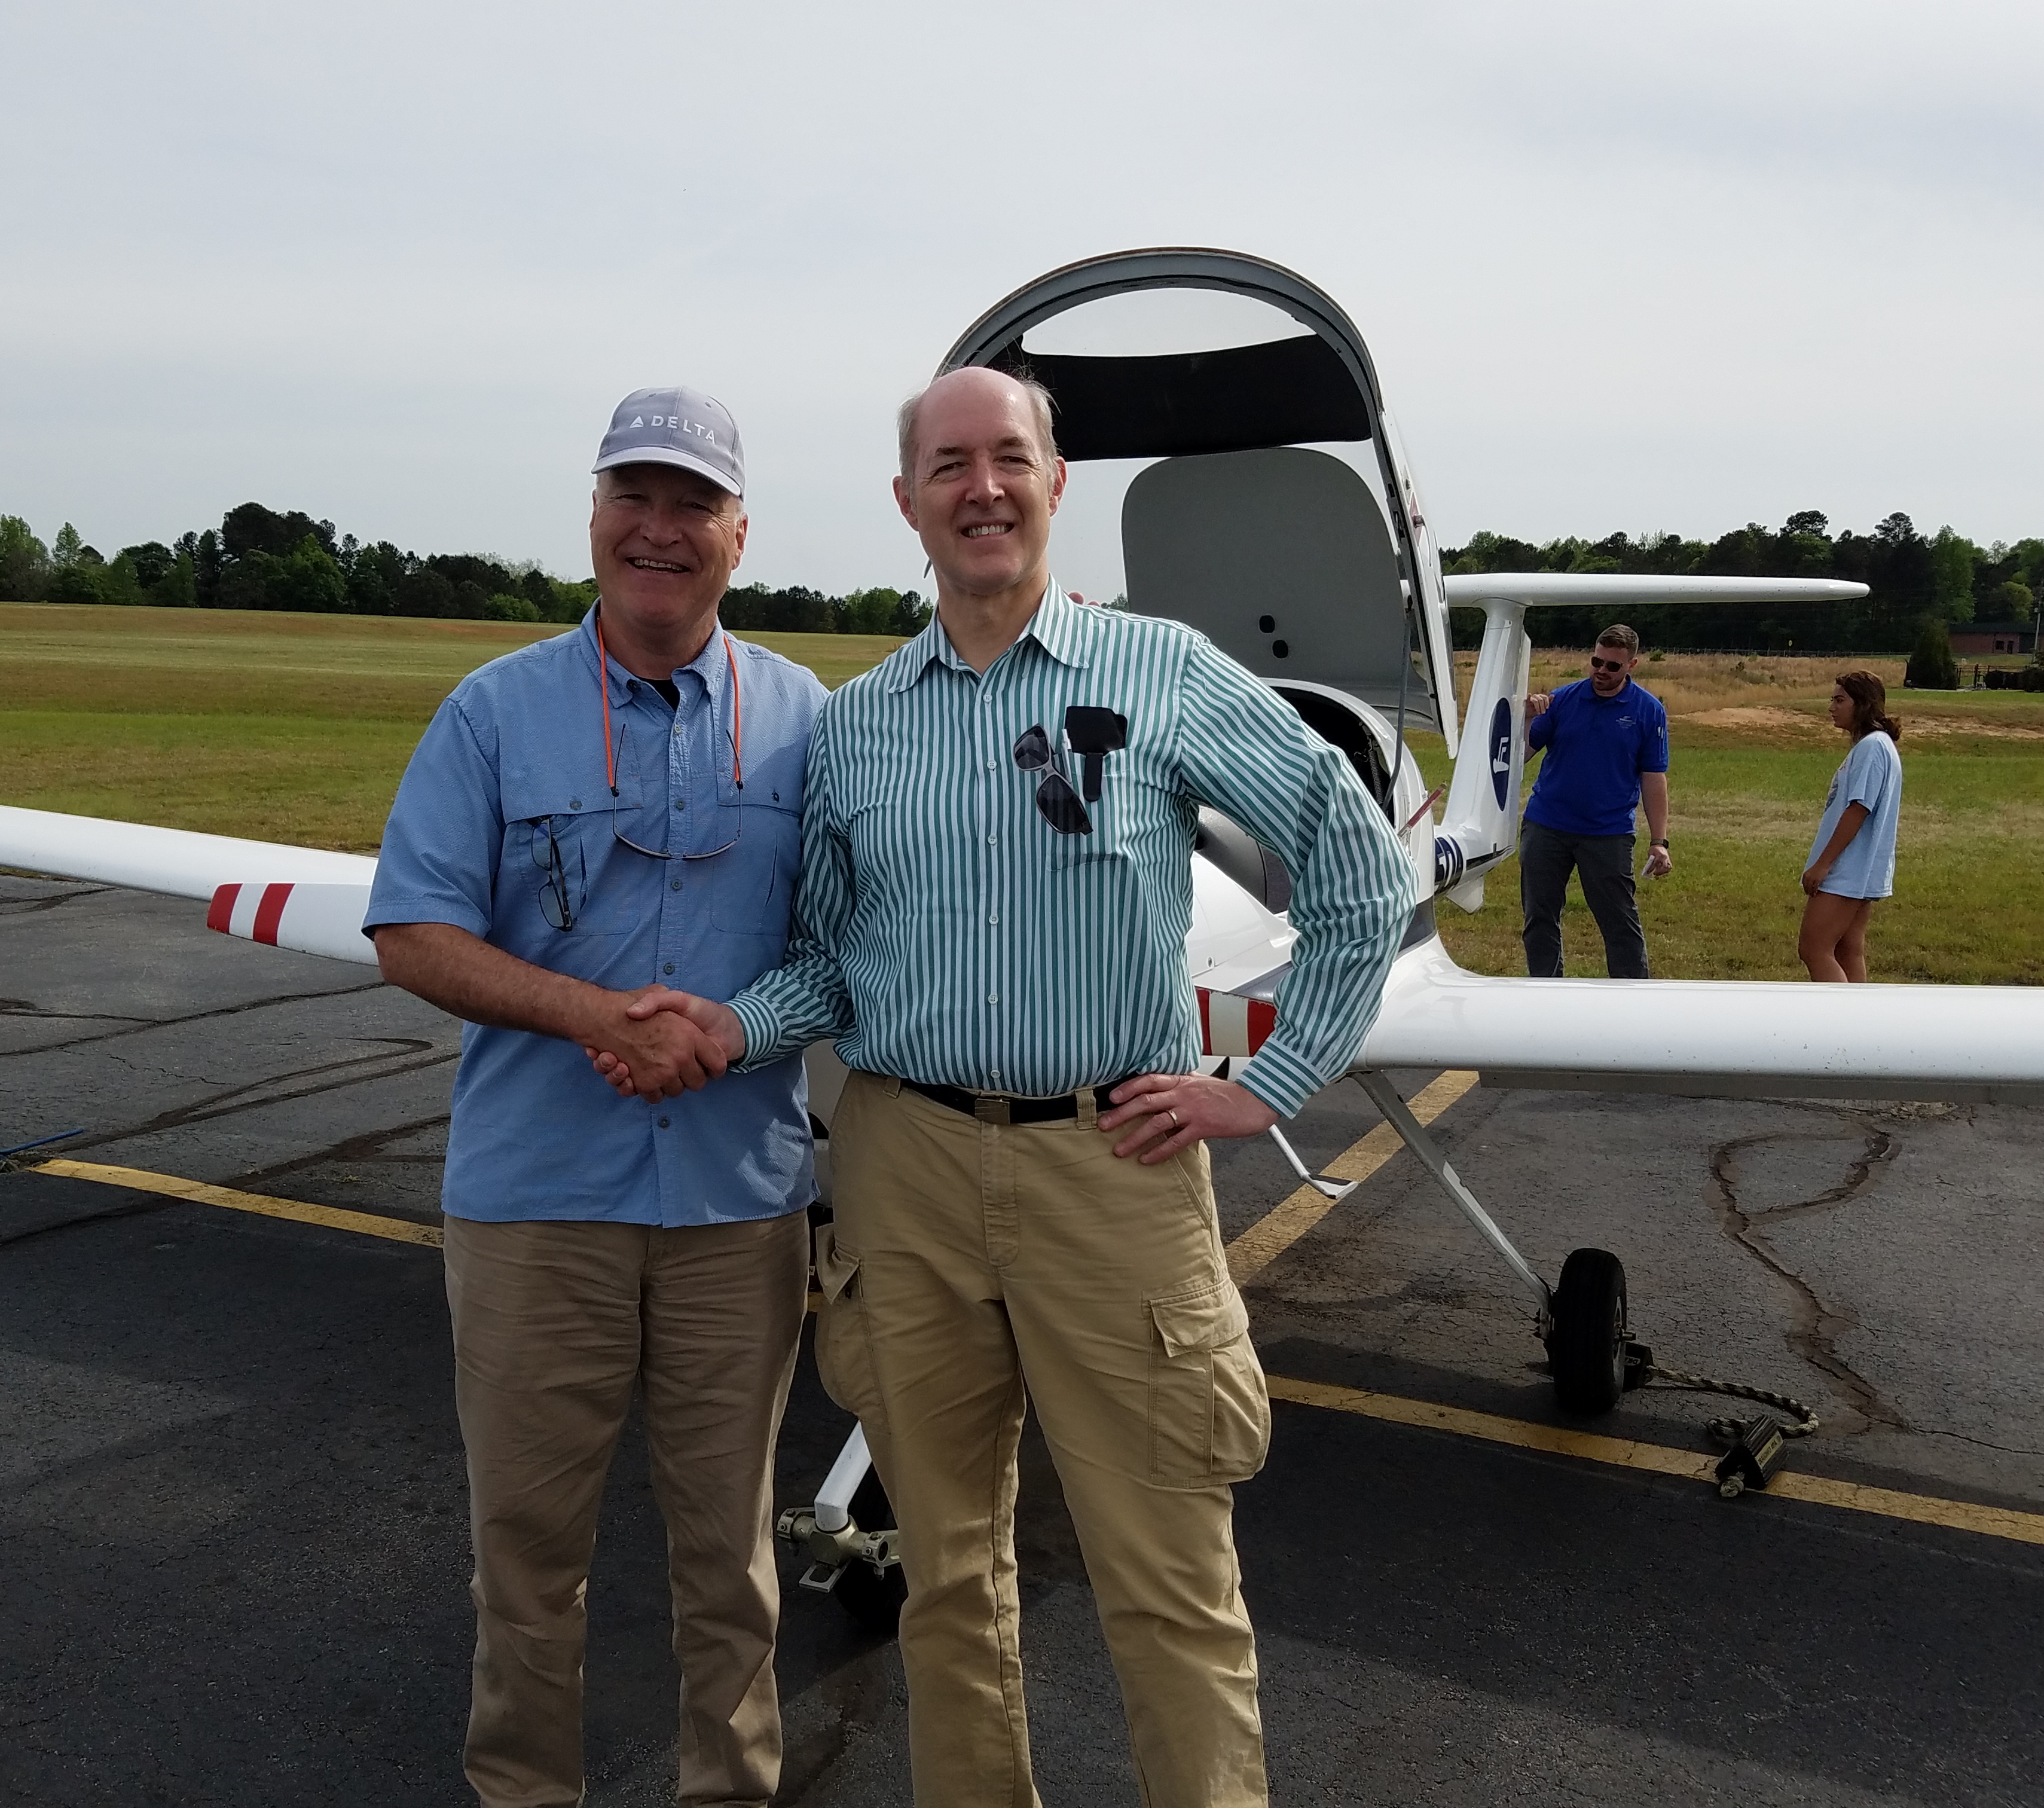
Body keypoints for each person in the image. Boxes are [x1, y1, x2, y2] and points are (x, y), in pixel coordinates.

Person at [612, 367, 1417, 1806]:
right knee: (946, 1576)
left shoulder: (1161, 672)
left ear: (1055, 485)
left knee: (1169, 1577)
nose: (981, 486)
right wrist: (728, 1026)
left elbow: (1355, 862)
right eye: (949, 464)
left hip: (1109, 1169)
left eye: (1010, 458)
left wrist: (1274, 1078)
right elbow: (834, 970)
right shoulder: (858, 729)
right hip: (904, 1170)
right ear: (909, 502)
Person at [364, 387, 828, 1807]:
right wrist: (593, 1017)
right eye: (635, 494)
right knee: (528, 1556)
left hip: (736, 1212)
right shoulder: (494, 712)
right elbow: (411, 929)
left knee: (730, 1560)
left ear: (740, 535)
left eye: (694, 503)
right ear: (592, 518)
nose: (660, 528)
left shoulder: (812, 721)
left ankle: (730, 1790)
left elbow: (845, 948)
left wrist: (727, 1031)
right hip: (534, 1203)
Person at [1519, 624, 1671, 978]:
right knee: (1539, 918)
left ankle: (1631, 999)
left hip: (1608, 833)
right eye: (1596, 662)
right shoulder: (1563, 701)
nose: (1601, 671)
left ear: (1632, 665)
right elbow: (1519, 756)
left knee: (1619, 921)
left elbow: (1654, 778)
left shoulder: (1648, 711)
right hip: (1547, 826)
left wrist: (1659, 842)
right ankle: (1546, 993)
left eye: (1612, 666)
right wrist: (1525, 716)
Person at [1798, 669, 1902, 981]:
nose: (1832, 707)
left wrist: (1823, 865)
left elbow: (1859, 808)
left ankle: (1838, 1026)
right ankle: (1861, 1025)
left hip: (1847, 869)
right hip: (1860, 868)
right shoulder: (1877, 746)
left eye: (1840, 700)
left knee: (1814, 949)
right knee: (1847, 950)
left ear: (1863, 704)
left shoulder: (1873, 747)